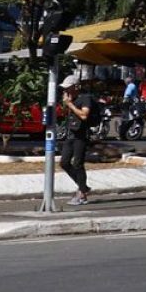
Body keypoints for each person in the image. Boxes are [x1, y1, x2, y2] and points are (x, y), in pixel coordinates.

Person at [60, 73, 95, 206]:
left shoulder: (85, 98)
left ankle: (82, 194)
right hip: (71, 134)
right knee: (64, 162)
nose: (66, 90)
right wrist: (68, 104)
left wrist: (70, 105)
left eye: (68, 87)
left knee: (77, 164)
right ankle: (83, 187)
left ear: (76, 87)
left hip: (81, 135)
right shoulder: (71, 99)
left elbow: (84, 115)